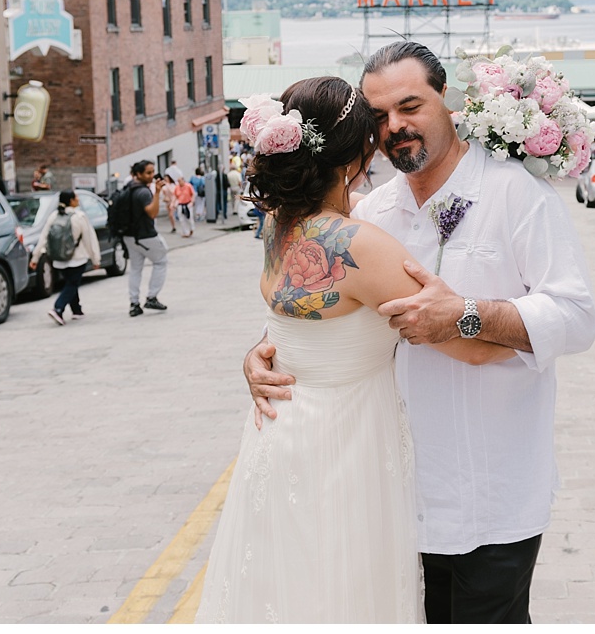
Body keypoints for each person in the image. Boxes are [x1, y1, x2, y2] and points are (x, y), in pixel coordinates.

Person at [243, 42, 595, 623]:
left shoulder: (516, 195)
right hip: (390, 493)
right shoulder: (372, 213)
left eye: (410, 106)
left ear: (450, 102)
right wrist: (263, 349)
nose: (395, 127)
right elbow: (321, 299)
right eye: (378, 116)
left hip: (492, 487)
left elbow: (577, 317)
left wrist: (466, 313)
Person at [199, 75, 522, 623]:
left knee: (287, 590)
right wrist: (528, 324)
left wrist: (256, 353)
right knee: (342, 592)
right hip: (346, 446)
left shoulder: (276, 226)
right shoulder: (361, 246)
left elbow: (296, 323)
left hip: (280, 436)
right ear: (358, 153)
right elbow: (475, 347)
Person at [32, 188, 100, 325]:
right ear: (71, 201)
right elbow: (89, 239)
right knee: (72, 284)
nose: (78, 199)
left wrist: (35, 257)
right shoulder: (79, 217)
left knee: (70, 282)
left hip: (59, 260)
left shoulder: (53, 216)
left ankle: (77, 311)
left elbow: (44, 237)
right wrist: (95, 259)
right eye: (76, 197)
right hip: (77, 258)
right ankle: (58, 308)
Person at [113, 160, 171, 317]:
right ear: (138, 174)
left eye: (153, 172)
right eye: (148, 173)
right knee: (161, 261)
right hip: (145, 235)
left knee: (135, 269)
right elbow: (152, 213)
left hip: (129, 235)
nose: (152, 176)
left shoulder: (128, 188)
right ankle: (152, 297)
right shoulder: (144, 192)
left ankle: (134, 303)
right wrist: (157, 192)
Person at [174, 173, 196, 238]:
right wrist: (173, 203)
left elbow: (193, 194)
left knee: (189, 218)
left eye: (180, 181)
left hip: (188, 203)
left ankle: (191, 228)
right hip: (180, 204)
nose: (179, 182)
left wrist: (192, 202)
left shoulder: (188, 186)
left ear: (183, 180)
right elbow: (175, 196)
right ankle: (185, 232)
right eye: (178, 181)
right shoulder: (177, 187)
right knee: (182, 219)